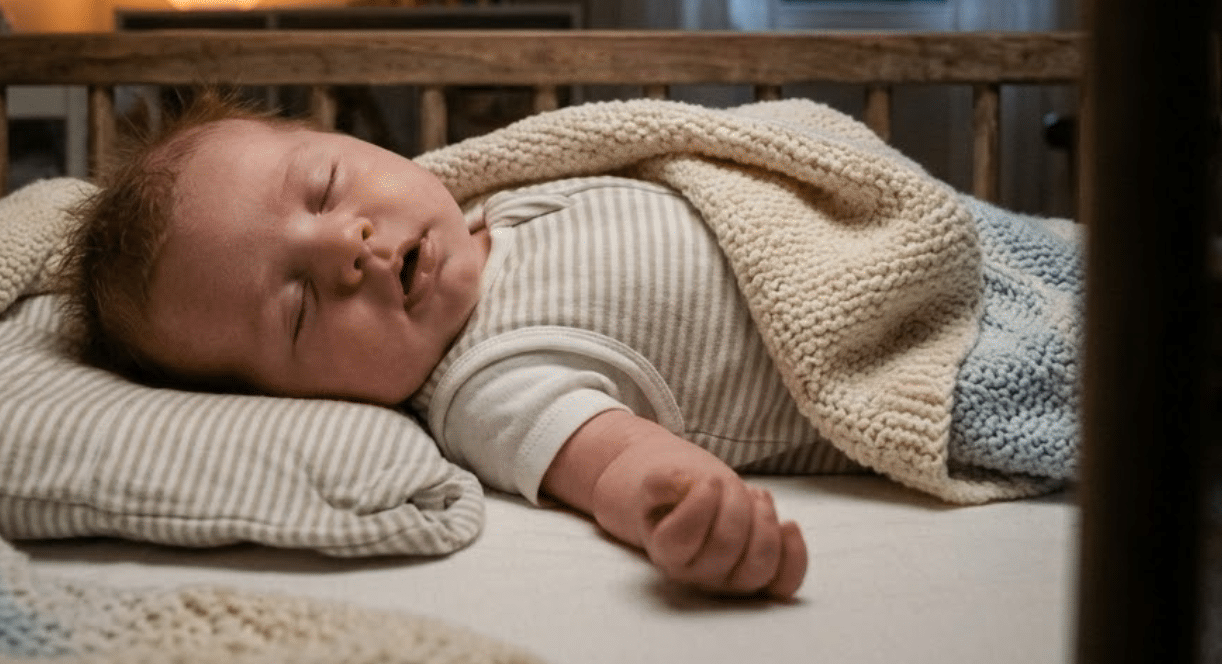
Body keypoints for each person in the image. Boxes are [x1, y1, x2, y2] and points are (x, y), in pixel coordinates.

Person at [62, 90, 1082, 600]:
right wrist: (682, 506)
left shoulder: (504, 197)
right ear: (299, 403)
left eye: (325, 187)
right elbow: (618, 461)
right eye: (295, 309)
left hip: (929, 247)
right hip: (928, 344)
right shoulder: (487, 384)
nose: (345, 248)